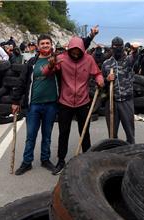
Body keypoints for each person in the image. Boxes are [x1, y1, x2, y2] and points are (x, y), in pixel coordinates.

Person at [44, 36, 104, 175]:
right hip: (65, 102)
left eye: (78, 51)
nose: (76, 53)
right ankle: (60, 160)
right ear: (69, 49)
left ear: (82, 50)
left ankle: (87, 159)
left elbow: (97, 73)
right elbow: (46, 73)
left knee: (84, 132)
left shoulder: (88, 59)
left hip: (83, 102)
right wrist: (51, 65)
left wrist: (100, 80)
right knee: (63, 133)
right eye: (73, 50)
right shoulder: (62, 58)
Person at [12, 34, 59, 175]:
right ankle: (27, 162)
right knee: (31, 136)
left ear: (51, 45)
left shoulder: (57, 61)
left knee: (47, 135)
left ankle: (45, 159)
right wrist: (15, 101)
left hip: (51, 104)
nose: (45, 45)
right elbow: (21, 82)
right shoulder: (32, 62)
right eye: (42, 43)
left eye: (47, 43)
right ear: (38, 46)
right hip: (34, 105)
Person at [101, 36, 135, 144]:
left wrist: (135, 50)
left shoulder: (128, 60)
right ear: (111, 47)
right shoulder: (106, 64)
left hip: (126, 100)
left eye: (120, 46)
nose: (118, 48)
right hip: (112, 101)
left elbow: (136, 57)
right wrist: (107, 79)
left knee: (130, 132)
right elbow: (100, 82)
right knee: (112, 134)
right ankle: (114, 153)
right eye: (115, 46)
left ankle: (131, 150)